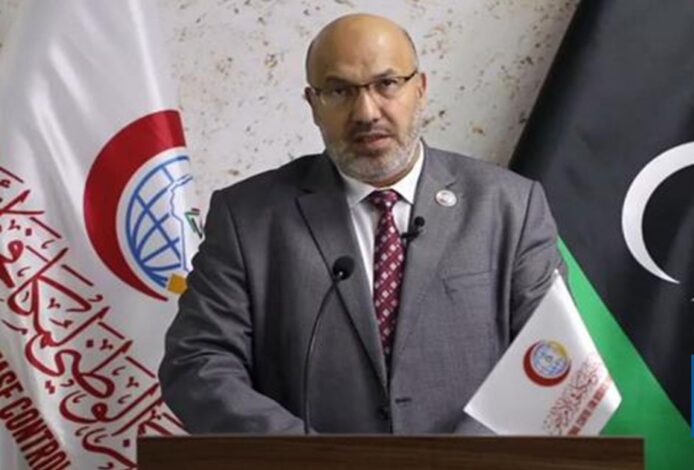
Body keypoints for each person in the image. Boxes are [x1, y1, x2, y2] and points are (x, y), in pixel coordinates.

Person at [159, 13, 564, 434]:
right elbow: (198, 364)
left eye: (386, 84)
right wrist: (318, 459)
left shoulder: (510, 206)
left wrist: (456, 461)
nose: (366, 112)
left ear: (420, 89)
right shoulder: (248, 217)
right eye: (339, 91)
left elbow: (554, 357)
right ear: (313, 105)